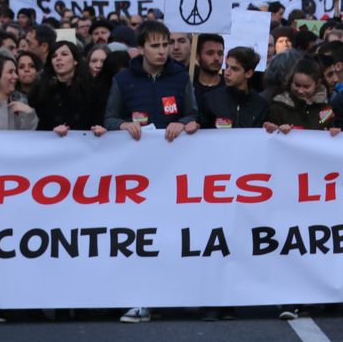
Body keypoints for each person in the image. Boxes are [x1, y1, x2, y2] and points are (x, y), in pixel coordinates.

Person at [101, 20, 199, 325]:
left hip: (172, 174)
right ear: (140, 48)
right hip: (136, 177)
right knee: (140, 236)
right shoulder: (124, 79)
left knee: (172, 233)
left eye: (165, 44)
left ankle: (176, 295)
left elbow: (193, 113)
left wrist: (184, 122)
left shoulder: (180, 77)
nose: (162, 51)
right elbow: (109, 117)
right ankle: (137, 297)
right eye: (154, 45)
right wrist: (121, 125)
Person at [30, 41, 102, 133]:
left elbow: (97, 121)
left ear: (75, 60)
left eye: (64, 54)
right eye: (54, 56)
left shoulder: (91, 90)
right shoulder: (42, 91)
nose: (58, 58)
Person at [199, 47, 269, 129]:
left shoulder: (260, 105)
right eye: (227, 66)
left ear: (249, 73)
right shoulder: (210, 99)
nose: (227, 72)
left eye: (235, 69)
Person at [264, 56, 334, 133]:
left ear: (317, 84)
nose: (300, 91)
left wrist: (334, 132)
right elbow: (270, 135)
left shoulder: (325, 110)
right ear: (291, 81)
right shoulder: (278, 107)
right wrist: (277, 129)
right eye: (297, 85)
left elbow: (327, 127)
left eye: (306, 87)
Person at [192, 34, 226, 115]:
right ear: (197, 56)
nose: (216, 58)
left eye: (220, 53)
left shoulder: (229, 87)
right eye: (210, 53)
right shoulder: (188, 87)